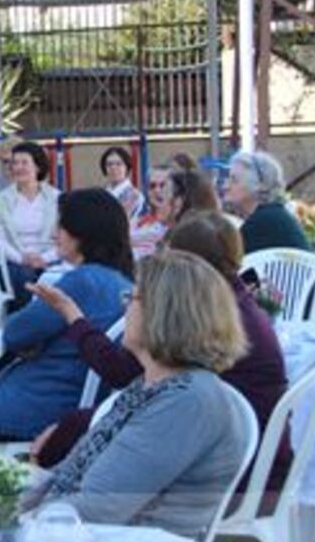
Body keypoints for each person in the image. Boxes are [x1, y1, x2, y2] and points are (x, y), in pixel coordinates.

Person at [29, 211, 291, 503]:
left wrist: (72, 316)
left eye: (136, 298)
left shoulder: (204, 318)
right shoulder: (228, 303)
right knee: (82, 427)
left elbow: (127, 377)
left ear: (185, 268)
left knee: (75, 431)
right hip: (238, 449)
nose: (131, 305)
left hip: (238, 469)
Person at [24, 249, 247, 540]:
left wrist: (13, 523)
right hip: (84, 541)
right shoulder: (151, 383)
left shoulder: (186, 401)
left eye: (132, 298)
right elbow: (67, 472)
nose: (126, 307)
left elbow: (97, 509)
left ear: (164, 312)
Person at [0, 189, 133, 473]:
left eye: (60, 226)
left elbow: (15, 333)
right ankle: (4, 477)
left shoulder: (82, 281)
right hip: (70, 393)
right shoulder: (120, 280)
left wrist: (36, 338)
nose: (55, 234)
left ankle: (8, 484)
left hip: (45, 400)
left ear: (81, 235)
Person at [0, 142, 61, 304]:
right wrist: (22, 259)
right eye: (15, 163)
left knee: (58, 276)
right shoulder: (2, 199)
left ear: (37, 167)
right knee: (23, 277)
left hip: (49, 259)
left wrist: (44, 258)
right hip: (15, 261)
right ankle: (27, 323)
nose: (18, 167)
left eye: (24, 162)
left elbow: (66, 238)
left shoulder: (56, 198)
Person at [226, 151, 310, 253]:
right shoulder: (275, 214)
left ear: (260, 186)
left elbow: (228, 263)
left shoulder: (261, 222)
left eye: (234, 180)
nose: (226, 186)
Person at [130, 164, 171, 259]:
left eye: (163, 185)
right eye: (152, 186)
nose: (157, 190)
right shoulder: (137, 222)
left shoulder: (179, 224)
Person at [101, 146, 145, 220]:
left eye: (118, 164)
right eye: (109, 164)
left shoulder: (134, 195)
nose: (113, 168)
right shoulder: (102, 193)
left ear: (127, 167)